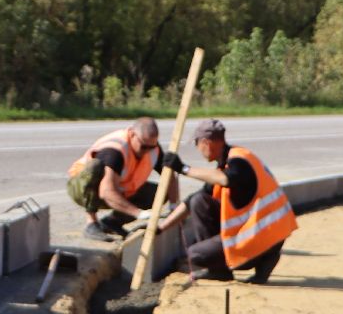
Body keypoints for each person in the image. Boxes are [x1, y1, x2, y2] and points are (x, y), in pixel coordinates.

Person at [165, 118, 296, 283]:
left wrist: (184, 169)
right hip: (266, 234)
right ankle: (221, 271)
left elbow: (226, 179)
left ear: (206, 142)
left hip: (264, 238)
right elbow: (191, 200)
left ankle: (261, 259)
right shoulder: (231, 161)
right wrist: (161, 227)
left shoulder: (239, 162)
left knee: (195, 255)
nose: (198, 149)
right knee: (199, 201)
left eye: (197, 144)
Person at [66, 117, 179, 241]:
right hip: (82, 188)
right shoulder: (115, 150)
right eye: (143, 146)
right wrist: (138, 213)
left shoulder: (152, 147)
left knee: (159, 193)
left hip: (120, 187)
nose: (147, 151)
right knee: (95, 167)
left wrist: (174, 207)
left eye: (151, 147)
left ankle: (112, 222)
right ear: (132, 134)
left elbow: (169, 175)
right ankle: (91, 223)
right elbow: (106, 192)